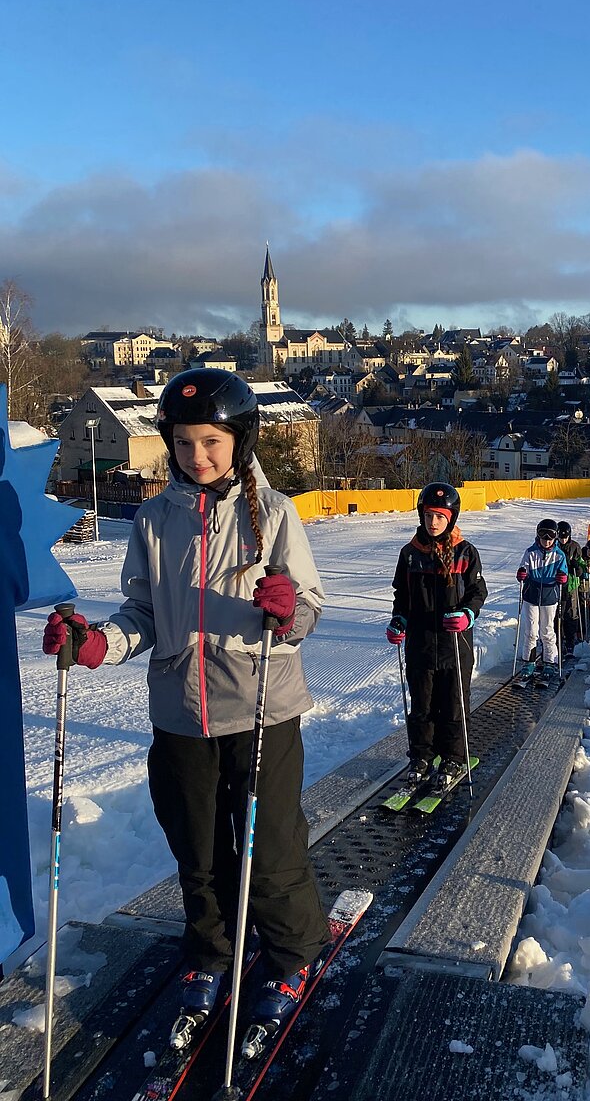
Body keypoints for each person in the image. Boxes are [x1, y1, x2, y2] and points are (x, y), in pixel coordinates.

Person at [42, 368, 330, 1037]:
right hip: (179, 713)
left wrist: (287, 610)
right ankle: (211, 952)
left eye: (211, 442)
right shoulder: (154, 519)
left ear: (240, 441)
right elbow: (142, 611)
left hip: (260, 708)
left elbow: (308, 608)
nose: (195, 456)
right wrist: (98, 643)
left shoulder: (274, 514)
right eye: (182, 442)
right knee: (198, 853)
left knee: (269, 849)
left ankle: (291, 953)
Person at [386, 483, 487, 790]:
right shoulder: (410, 554)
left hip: (454, 643)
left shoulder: (465, 552)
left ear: (451, 518)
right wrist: (399, 619)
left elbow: (477, 591)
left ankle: (453, 756)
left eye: (440, 517)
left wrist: (467, 613)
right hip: (420, 643)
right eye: (429, 515)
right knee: (422, 703)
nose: (433, 523)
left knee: (453, 702)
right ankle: (421, 756)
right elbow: (402, 595)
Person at [515, 518, 568, 683]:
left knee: (547, 630)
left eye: (550, 536)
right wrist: (522, 574)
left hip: (549, 596)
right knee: (531, 630)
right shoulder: (530, 552)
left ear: (555, 537)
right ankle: (529, 662)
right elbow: (523, 568)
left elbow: (564, 573)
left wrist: (563, 577)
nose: (546, 540)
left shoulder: (559, 555)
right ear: (538, 535)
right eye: (543, 535)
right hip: (531, 594)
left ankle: (549, 663)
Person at [556, 520, 586, 656]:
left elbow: (581, 564)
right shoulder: (554, 547)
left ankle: (570, 641)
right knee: (558, 614)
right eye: (560, 537)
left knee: (571, 614)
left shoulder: (575, 546)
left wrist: (578, 568)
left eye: (565, 537)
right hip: (557, 585)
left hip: (571, 585)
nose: (563, 540)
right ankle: (558, 640)